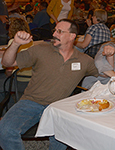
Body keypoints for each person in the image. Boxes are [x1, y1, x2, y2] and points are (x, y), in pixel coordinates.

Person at [0, 19, 98, 149]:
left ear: (72, 36)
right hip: (31, 102)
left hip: (59, 107)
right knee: (5, 130)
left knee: (63, 138)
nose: (54, 34)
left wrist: (108, 56)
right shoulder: (40, 50)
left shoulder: (85, 61)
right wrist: (15, 44)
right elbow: (7, 63)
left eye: (60, 31)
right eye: (55, 30)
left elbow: (99, 76)